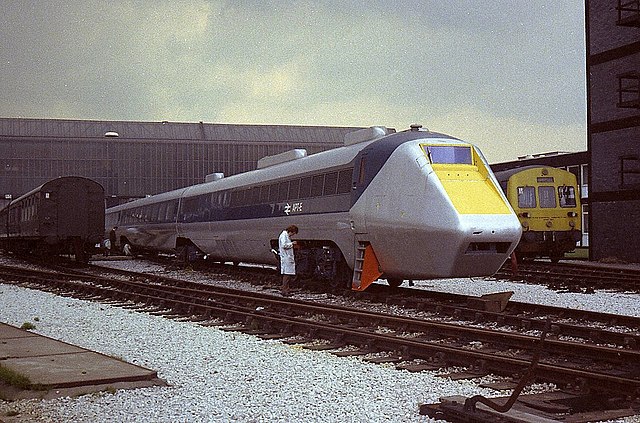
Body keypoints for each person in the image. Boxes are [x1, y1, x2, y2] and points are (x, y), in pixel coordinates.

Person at [278, 225, 298, 296]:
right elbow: (284, 245)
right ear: (291, 231)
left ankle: (286, 289)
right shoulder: (284, 235)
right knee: (286, 275)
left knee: (288, 275)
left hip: (287, 257)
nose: (292, 235)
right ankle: (284, 290)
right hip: (286, 257)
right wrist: (292, 243)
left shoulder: (285, 236)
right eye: (293, 233)